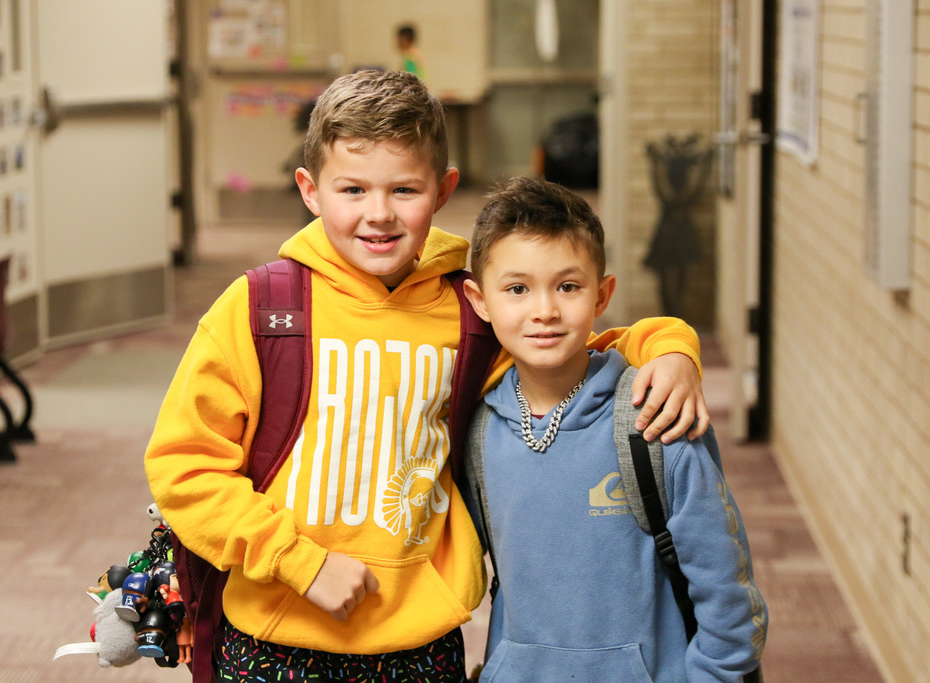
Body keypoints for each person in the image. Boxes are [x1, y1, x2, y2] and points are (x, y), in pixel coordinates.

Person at [144, 71, 709, 682]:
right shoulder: (259, 309)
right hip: (275, 638)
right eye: (352, 189)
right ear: (310, 191)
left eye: (404, 189)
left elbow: (573, 346)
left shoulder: (468, 313)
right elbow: (185, 467)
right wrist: (298, 562)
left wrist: (672, 348)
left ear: (443, 190)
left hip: (420, 645)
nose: (379, 214)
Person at [461, 176, 767, 682]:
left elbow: (727, 594)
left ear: (602, 294)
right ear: (479, 300)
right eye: (517, 289)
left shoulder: (654, 416)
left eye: (568, 286)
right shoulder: (478, 431)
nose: (544, 311)